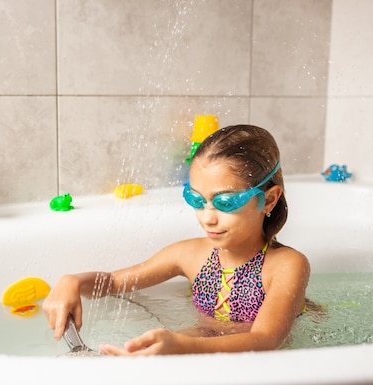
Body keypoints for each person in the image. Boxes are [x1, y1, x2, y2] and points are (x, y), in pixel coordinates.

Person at [42, 124, 310, 355]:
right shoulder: (190, 255)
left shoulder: (286, 265)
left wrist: (182, 346)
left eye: (225, 202)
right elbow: (113, 283)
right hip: (203, 346)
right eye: (196, 200)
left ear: (269, 199)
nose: (207, 218)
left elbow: (265, 340)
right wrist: (73, 282)